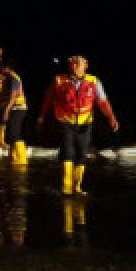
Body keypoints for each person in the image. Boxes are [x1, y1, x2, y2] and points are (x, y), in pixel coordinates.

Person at [38, 55, 119, 195]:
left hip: (85, 123)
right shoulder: (59, 80)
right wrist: (41, 116)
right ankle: (66, 187)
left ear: (85, 66)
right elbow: (48, 99)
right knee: (68, 152)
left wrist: (111, 117)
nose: (74, 66)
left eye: (77, 64)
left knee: (82, 153)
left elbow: (103, 102)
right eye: (72, 64)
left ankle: (77, 187)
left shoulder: (94, 81)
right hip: (66, 122)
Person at [0, 64, 28, 164]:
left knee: (15, 132)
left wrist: (6, 111)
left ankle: (21, 160)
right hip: (15, 108)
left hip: (19, 108)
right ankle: (13, 156)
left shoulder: (14, 79)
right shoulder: (9, 78)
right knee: (12, 132)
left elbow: (12, 98)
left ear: (9, 69)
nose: (2, 72)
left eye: (3, 69)